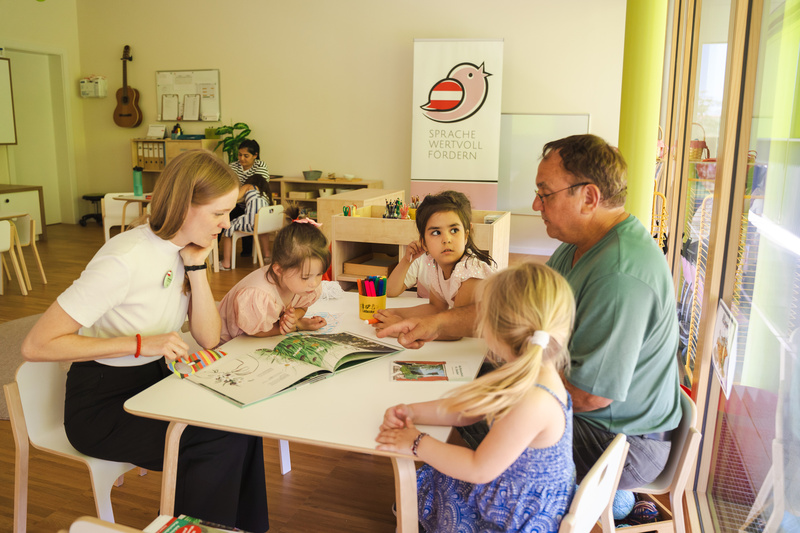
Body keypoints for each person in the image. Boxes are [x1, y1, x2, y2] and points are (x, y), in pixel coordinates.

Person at [378, 134, 682, 490]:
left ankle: (484, 501)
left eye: (545, 192)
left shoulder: (620, 274)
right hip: (595, 417)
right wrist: (436, 323)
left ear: (588, 197)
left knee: (478, 412)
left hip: (621, 442)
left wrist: (491, 396)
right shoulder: (579, 246)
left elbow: (590, 396)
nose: (536, 205)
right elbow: (517, 310)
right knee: (478, 383)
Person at [20, 150, 270, 532]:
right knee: (213, 439)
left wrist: (198, 269)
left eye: (229, 212)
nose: (226, 223)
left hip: (153, 383)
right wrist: (139, 343)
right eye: (218, 213)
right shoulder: (124, 259)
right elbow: (36, 345)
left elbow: (208, 336)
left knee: (240, 420)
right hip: (102, 406)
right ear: (185, 205)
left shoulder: (182, 249)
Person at [376, 262, 577, 532]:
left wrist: (417, 442)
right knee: (436, 473)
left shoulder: (533, 400)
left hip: (516, 518)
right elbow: (468, 410)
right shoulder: (532, 371)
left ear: (493, 332)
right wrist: (413, 411)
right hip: (516, 490)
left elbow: (478, 469)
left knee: (434, 473)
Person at [372, 191, 495, 334]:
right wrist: (392, 312)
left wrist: (402, 327)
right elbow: (435, 308)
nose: (446, 239)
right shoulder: (434, 263)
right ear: (423, 242)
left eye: (454, 230)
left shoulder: (469, 271)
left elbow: (456, 329)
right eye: (436, 232)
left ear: (466, 236)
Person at [218, 205, 329, 344]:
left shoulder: (300, 285)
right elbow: (256, 331)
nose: (314, 283)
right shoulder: (258, 295)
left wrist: (294, 316)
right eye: (306, 277)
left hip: (257, 338)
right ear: (279, 270)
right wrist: (297, 325)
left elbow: (301, 305)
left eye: (319, 274)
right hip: (227, 344)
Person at [219, 173, 272, 270]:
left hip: (251, 221)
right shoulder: (265, 194)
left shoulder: (249, 186)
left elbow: (234, 198)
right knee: (263, 232)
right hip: (264, 223)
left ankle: (226, 262)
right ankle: (267, 255)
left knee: (228, 228)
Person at [229, 139, 270, 258]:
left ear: (255, 155)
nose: (241, 158)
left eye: (246, 156)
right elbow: (229, 186)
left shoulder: (260, 165)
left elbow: (255, 187)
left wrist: (240, 192)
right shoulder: (233, 166)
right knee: (224, 218)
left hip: (254, 205)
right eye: (240, 155)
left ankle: (247, 253)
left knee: (250, 217)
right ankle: (214, 249)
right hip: (238, 204)